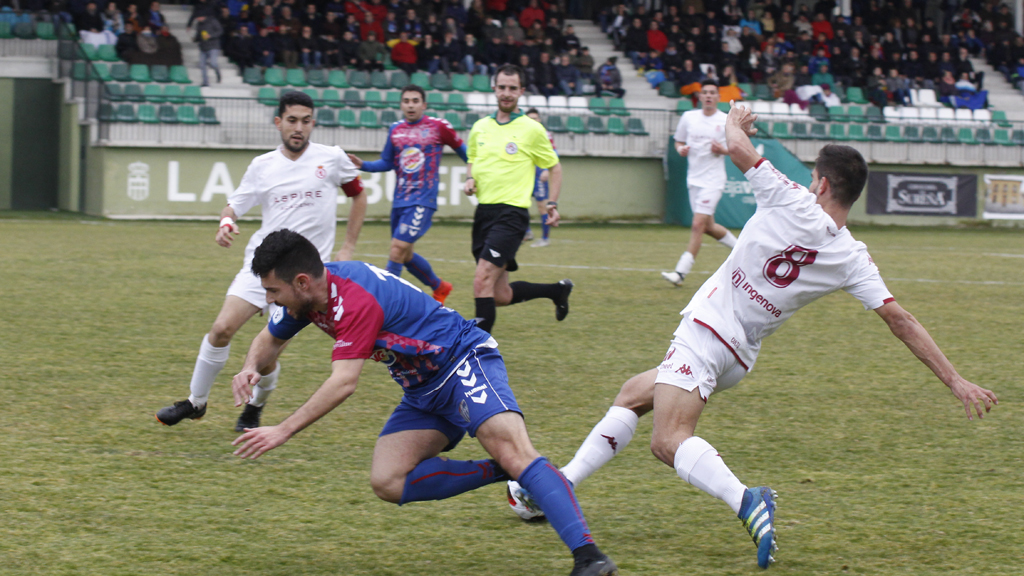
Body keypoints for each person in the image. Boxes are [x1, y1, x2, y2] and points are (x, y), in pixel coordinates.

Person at [508, 104, 999, 569]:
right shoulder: (853, 257)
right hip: (738, 357)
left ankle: (746, 500)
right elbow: (901, 320)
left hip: (707, 333)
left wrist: (735, 118)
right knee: (634, 394)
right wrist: (955, 380)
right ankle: (557, 487)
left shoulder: (789, 198)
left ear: (823, 183)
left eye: (813, 176)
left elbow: (738, 146)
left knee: (668, 441)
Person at [230, 230, 619, 576]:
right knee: (388, 481)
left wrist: (283, 430)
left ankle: (589, 557)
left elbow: (343, 382)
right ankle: (504, 470)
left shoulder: (354, 300)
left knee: (515, 449)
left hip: (463, 360)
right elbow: (270, 338)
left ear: (301, 282)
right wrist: (249, 367)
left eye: (273, 291)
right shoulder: (312, 295)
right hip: (422, 389)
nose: (269, 300)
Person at [155, 92, 369, 432]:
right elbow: (233, 205)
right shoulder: (262, 165)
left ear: (313, 123)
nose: (298, 128)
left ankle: (254, 408)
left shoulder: (331, 158)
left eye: (306, 121)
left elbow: (358, 195)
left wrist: (348, 247)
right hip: (263, 264)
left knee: (267, 357)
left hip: (301, 279)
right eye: (292, 120)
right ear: (278, 122)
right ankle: (196, 402)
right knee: (221, 329)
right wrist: (226, 222)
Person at [463, 64, 573, 334]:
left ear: (521, 91)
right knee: (498, 295)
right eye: (502, 87)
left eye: (513, 88)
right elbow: (472, 159)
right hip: (484, 214)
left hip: (511, 215)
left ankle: (479, 351)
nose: (507, 93)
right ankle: (557, 291)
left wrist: (552, 203)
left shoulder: (532, 129)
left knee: (482, 279)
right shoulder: (480, 127)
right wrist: (470, 178)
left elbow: (555, 167)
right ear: (494, 89)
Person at [346, 85, 466, 304]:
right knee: (406, 255)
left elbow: (464, 151)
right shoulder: (396, 130)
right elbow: (387, 162)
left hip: (423, 199)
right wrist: (363, 164)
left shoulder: (438, 127)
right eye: (406, 101)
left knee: (397, 249)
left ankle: (385, 303)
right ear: (401, 104)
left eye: (415, 101)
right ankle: (440, 287)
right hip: (400, 201)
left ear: (424, 105)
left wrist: (474, 172)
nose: (411, 105)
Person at [661, 81, 739, 287]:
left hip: (713, 180)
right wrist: (681, 149)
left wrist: (721, 150)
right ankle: (742, 250)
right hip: (694, 179)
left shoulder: (725, 119)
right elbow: (678, 141)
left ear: (718, 97)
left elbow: (736, 147)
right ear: (700, 96)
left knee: (697, 225)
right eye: (705, 93)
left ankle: (680, 272)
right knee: (708, 226)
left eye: (712, 93)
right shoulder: (689, 117)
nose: (708, 96)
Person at [522, 108, 556, 248]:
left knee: (542, 206)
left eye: (535, 118)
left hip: (539, 173)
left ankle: (545, 238)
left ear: (540, 120)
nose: (533, 121)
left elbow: (553, 153)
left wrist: (547, 170)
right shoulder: (521, 133)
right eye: (530, 119)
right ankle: (527, 232)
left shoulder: (545, 134)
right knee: (519, 203)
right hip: (525, 173)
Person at [194, 15, 223, 86]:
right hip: (203, 47)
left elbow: (220, 31)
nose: (197, 18)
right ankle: (205, 82)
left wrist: (210, 35)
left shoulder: (213, 21)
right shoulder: (199, 24)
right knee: (202, 65)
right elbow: (198, 35)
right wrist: (195, 39)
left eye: (198, 17)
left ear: (203, 16)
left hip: (213, 46)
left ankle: (218, 73)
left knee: (213, 63)